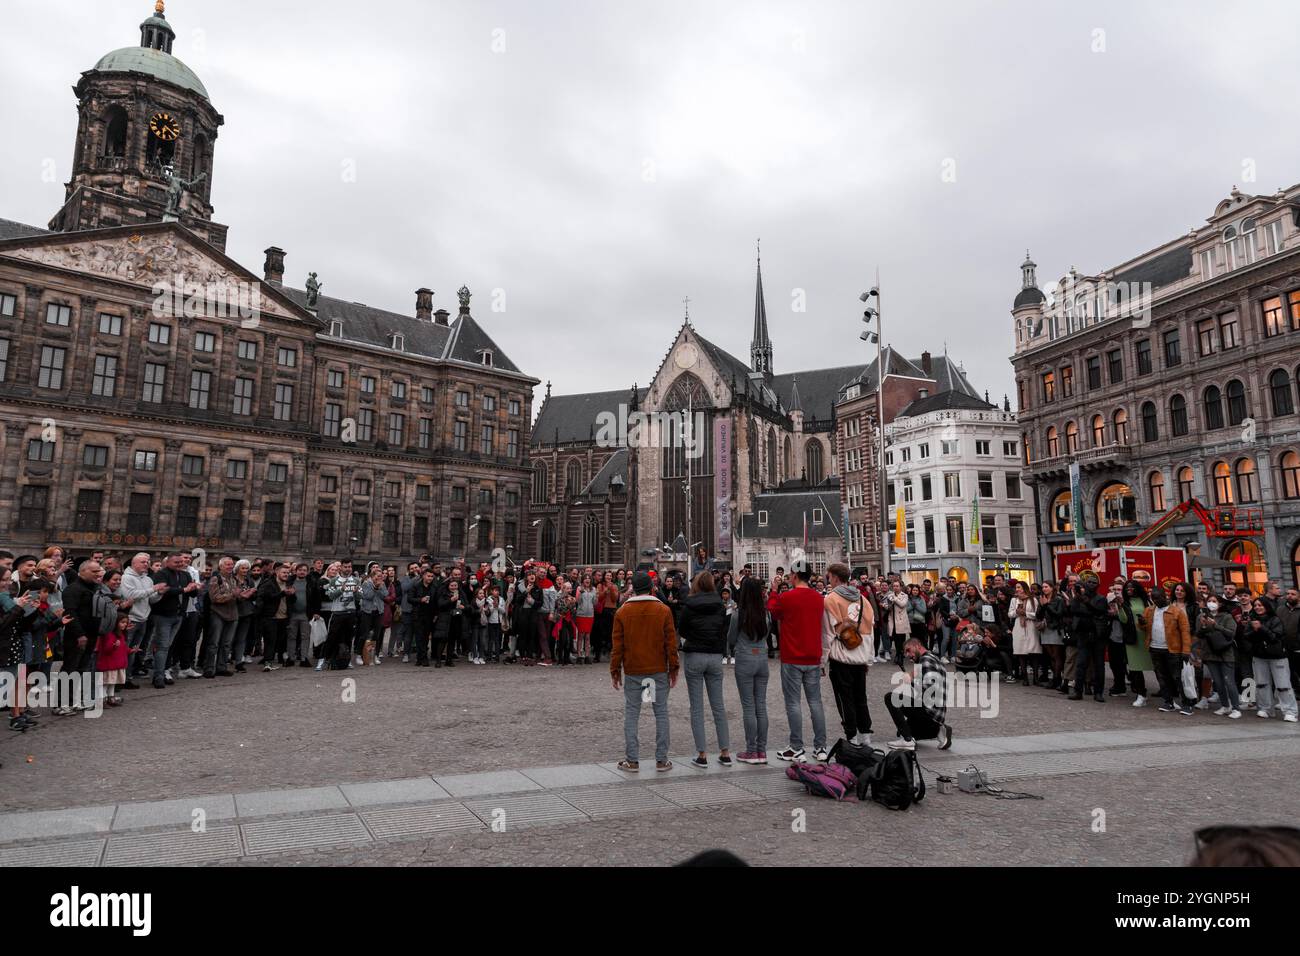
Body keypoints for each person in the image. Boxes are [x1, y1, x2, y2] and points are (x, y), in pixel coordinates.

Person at [611, 570, 679, 773]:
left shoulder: (622, 612)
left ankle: (632, 760)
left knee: (632, 714)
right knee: (661, 713)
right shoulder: (664, 610)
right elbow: (671, 643)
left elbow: (617, 646)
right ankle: (662, 759)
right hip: (656, 670)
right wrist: (674, 667)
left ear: (633, 588)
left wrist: (615, 670)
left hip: (633, 670)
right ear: (652, 588)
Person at [767, 565, 829, 763]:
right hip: (813, 656)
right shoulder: (819, 598)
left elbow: (773, 612)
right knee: (815, 702)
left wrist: (774, 591)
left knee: (793, 702)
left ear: (794, 576)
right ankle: (820, 747)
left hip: (792, 656)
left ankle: (796, 747)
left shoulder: (787, 597)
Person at [677, 571, 731, 769]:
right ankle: (725, 752)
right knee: (718, 706)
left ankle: (702, 754)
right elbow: (723, 629)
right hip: (715, 656)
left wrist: (693, 636)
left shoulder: (689, 604)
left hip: (695, 654)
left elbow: (681, 629)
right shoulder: (720, 605)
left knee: (697, 707)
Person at [822, 563, 875, 748]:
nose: (828, 580)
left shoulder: (830, 599)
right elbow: (870, 631)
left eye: (829, 577)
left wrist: (823, 660)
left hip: (842, 656)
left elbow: (828, 633)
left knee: (844, 697)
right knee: (861, 696)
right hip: (860, 656)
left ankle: (851, 735)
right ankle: (865, 734)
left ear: (836, 578)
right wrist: (869, 658)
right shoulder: (863, 600)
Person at [883, 637, 953, 750]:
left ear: (918, 646)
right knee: (902, 731)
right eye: (906, 652)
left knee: (891, 698)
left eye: (908, 650)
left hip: (929, 713)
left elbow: (929, 690)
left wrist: (910, 681)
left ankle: (907, 741)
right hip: (936, 716)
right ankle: (939, 730)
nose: (907, 655)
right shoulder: (933, 658)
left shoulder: (925, 660)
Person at [729, 576, 771, 764]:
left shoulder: (739, 614)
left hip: (745, 658)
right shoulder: (766, 613)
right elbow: (768, 633)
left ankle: (751, 751)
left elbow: (731, 637)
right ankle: (762, 751)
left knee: (748, 706)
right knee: (761, 706)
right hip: (762, 658)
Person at [1144, 583, 1194, 714]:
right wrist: (1142, 623)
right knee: (1161, 677)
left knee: (1178, 677)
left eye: (1158, 598)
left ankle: (1187, 703)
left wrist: (1186, 650)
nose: (1156, 601)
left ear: (1164, 596)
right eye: (1153, 598)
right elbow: (1145, 628)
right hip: (1155, 648)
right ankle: (1168, 701)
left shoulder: (1176, 611)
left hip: (1173, 649)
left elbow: (1185, 632)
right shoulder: (1149, 610)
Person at [1247, 597, 1297, 721]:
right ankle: (1265, 708)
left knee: (1283, 684)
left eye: (1260, 605)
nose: (1257, 607)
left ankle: (1290, 711)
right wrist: (1255, 629)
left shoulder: (1275, 620)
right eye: (1255, 605)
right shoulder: (1252, 620)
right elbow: (1247, 636)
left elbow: (1275, 637)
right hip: (1259, 656)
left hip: (1277, 656)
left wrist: (1261, 628)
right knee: (1261, 683)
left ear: (1266, 606)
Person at [1195, 592, 1242, 718]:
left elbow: (1231, 633)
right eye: (1209, 601)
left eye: (1214, 601)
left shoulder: (1226, 616)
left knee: (1229, 681)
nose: (1211, 603)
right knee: (1218, 682)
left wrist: (1215, 625)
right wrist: (1204, 625)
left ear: (1220, 603)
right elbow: (1199, 635)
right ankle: (1225, 706)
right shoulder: (1202, 616)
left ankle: (1236, 708)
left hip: (1225, 653)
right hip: (1210, 654)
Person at [1009, 581, 1042, 686]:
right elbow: (1010, 614)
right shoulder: (1014, 600)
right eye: (1016, 587)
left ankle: (1036, 679)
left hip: (1031, 626)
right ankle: (1025, 678)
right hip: (1019, 626)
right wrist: (1017, 612)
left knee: (1034, 653)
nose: (1017, 589)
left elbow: (1037, 614)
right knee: (1021, 653)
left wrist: (1026, 613)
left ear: (1024, 588)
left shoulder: (1033, 599)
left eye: (1019, 587)